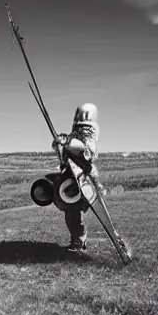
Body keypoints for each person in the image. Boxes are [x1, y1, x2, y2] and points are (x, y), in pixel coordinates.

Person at [51, 103, 105, 252]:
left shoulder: (88, 139)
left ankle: (79, 240)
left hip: (84, 180)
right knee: (71, 214)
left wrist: (67, 142)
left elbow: (85, 151)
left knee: (73, 212)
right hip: (71, 179)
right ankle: (77, 241)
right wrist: (60, 143)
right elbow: (64, 152)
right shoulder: (74, 137)